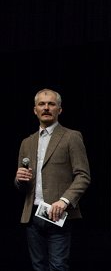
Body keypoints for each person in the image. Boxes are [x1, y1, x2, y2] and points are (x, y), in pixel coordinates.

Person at [15, 88, 91, 271]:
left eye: (51, 104)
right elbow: (21, 186)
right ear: (35, 110)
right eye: (42, 104)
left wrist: (64, 201)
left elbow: (83, 176)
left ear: (60, 109)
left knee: (58, 266)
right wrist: (19, 180)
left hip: (58, 215)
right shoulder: (27, 142)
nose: (46, 108)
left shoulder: (71, 137)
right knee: (38, 266)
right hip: (33, 215)